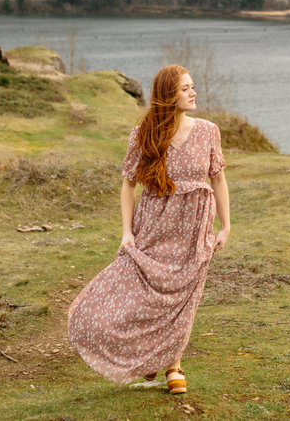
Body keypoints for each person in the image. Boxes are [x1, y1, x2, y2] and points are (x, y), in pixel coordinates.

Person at [67, 64, 231, 395]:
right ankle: (148, 355)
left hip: (195, 230)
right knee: (139, 294)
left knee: (183, 298)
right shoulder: (144, 135)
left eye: (192, 86)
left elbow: (218, 179)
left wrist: (226, 225)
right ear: (168, 95)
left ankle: (174, 364)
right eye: (185, 88)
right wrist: (127, 232)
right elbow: (128, 185)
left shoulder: (208, 131)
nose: (193, 92)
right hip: (153, 227)